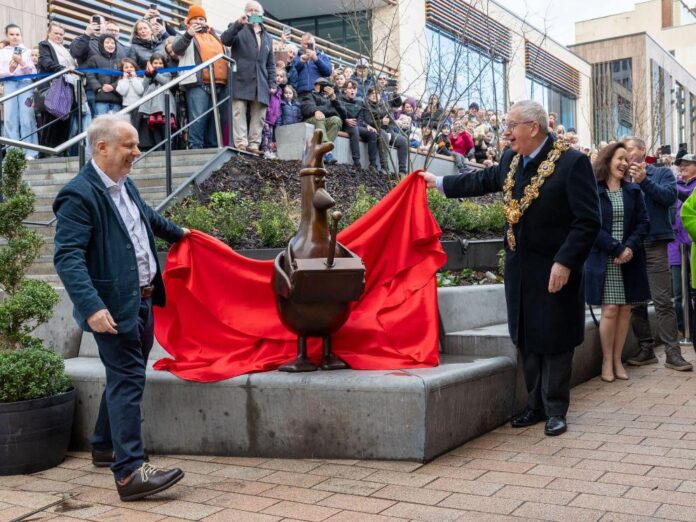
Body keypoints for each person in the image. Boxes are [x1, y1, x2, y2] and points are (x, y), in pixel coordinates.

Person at [419, 100, 601, 436]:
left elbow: (588, 221)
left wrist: (565, 261)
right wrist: (439, 183)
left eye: (511, 126)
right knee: (526, 336)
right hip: (520, 267)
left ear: (533, 127)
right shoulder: (511, 159)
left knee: (556, 337)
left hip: (555, 268)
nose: (505, 134)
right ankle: (534, 404)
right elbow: (484, 180)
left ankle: (556, 409)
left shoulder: (572, 163)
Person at [53, 114, 189, 501]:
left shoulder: (123, 185)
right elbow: (68, 258)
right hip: (111, 309)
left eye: (136, 146)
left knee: (122, 377)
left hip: (143, 302)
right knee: (128, 380)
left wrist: (180, 234)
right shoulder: (79, 194)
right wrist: (92, 307)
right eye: (129, 145)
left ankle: (102, 445)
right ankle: (129, 473)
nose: (137, 151)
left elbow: (145, 219)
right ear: (102, 147)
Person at [624, 137, 693, 371]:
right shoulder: (620, 176)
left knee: (663, 300)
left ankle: (673, 353)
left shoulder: (661, 174)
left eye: (631, 149)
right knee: (636, 302)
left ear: (643, 151)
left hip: (655, 243)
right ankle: (646, 349)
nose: (627, 154)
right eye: (624, 150)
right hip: (630, 246)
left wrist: (643, 181)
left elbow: (666, 198)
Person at [584, 143, 650, 382]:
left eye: (627, 160)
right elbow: (590, 226)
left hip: (629, 259)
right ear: (608, 160)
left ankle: (618, 359)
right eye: (620, 159)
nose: (624, 163)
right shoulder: (593, 190)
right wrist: (616, 248)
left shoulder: (633, 191)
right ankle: (606, 360)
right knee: (610, 310)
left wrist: (629, 247)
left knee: (625, 311)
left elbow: (644, 223)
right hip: (605, 257)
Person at [221, 1, 276, 154]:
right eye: (250, 10)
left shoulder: (268, 37)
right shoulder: (238, 27)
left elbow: (270, 63)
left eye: (256, 11)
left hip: (261, 80)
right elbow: (225, 40)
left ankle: (253, 145)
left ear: (261, 15)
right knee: (238, 111)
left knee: (259, 115)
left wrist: (273, 83)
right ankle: (241, 144)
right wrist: (239, 23)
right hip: (240, 77)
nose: (253, 13)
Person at [173, 5, 227, 149]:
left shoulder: (214, 34)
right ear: (189, 21)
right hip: (198, 83)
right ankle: (195, 147)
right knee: (198, 118)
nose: (199, 21)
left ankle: (213, 148)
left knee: (215, 120)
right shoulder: (183, 33)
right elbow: (176, 49)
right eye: (195, 19)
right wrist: (188, 34)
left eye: (201, 19)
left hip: (219, 84)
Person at [0, 23, 39, 159]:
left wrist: (22, 62)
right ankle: (13, 153)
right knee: (10, 119)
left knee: (26, 118)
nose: (15, 37)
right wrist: (10, 70)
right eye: (12, 34)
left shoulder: (27, 51)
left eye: (17, 34)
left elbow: (33, 72)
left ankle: (31, 152)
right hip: (9, 85)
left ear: (21, 36)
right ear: (7, 35)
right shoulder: (2, 52)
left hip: (25, 85)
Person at [672, 153, 696, 343]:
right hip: (676, 246)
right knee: (678, 291)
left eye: (687, 164)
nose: (682, 168)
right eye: (680, 165)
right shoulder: (675, 186)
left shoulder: (684, 189)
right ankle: (682, 329)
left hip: (692, 247)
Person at [299, 77, 344, 164]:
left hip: (324, 120)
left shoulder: (330, 98)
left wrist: (334, 99)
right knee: (320, 118)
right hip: (311, 119)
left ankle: (322, 151)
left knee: (337, 120)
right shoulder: (310, 95)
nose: (327, 88)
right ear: (317, 86)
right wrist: (316, 110)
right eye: (325, 85)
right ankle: (327, 151)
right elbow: (306, 108)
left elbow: (342, 114)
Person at [85, 35, 123, 116]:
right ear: (102, 44)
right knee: (101, 124)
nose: (110, 45)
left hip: (117, 98)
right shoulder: (94, 58)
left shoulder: (120, 61)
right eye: (107, 42)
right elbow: (90, 75)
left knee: (115, 125)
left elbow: (123, 77)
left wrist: (113, 86)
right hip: (101, 98)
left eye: (113, 43)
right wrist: (98, 88)